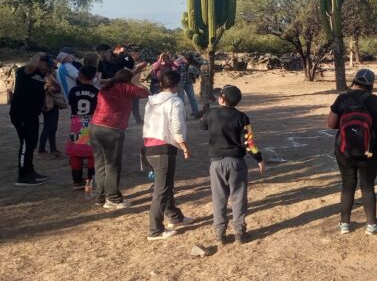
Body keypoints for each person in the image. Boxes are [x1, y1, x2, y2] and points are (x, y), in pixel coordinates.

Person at [202, 85, 265, 244]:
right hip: (237, 163)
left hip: (216, 164)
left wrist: (207, 111)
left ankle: (220, 234)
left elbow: (202, 125)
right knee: (238, 198)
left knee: (219, 199)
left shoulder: (211, 114)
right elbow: (249, 142)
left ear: (221, 99)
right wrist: (258, 158)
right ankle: (239, 233)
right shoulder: (242, 117)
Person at [326, 69, 377, 235]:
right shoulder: (374, 100)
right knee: (367, 186)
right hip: (369, 151)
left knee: (347, 185)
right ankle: (372, 225)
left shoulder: (342, 98)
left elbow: (331, 124)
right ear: (370, 84)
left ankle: (344, 224)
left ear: (355, 81)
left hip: (344, 150)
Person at [143, 70, 193, 241]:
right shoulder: (175, 101)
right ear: (177, 85)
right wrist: (184, 146)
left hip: (149, 148)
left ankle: (175, 216)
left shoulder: (151, 101)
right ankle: (155, 230)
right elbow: (176, 127)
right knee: (161, 189)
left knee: (165, 185)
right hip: (163, 149)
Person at [90, 69, 150, 209]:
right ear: (128, 80)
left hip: (95, 127)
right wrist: (137, 82)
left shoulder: (105, 88)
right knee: (112, 165)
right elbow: (147, 93)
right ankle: (113, 198)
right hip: (112, 129)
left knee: (100, 164)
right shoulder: (126, 88)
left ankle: (101, 197)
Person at [10, 53, 53, 186]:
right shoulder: (25, 71)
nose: (48, 69)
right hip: (21, 114)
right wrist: (39, 54)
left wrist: (43, 104)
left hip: (33, 114)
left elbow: (37, 92)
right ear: (39, 62)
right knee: (25, 143)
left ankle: (30, 171)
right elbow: (31, 65)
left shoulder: (40, 76)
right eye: (47, 65)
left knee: (31, 143)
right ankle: (22, 176)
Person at [66, 65, 99, 192]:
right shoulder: (97, 91)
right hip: (91, 122)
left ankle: (77, 181)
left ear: (79, 76)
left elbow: (71, 103)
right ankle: (90, 182)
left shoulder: (73, 90)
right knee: (91, 152)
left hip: (76, 122)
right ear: (94, 77)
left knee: (76, 153)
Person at [38, 66, 64, 157]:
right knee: (49, 126)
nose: (54, 70)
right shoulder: (48, 77)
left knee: (52, 127)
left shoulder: (47, 76)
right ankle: (42, 149)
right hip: (48, 104)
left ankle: (52, 148)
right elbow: (56, 88)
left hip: (51, 104)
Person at [175, 53, 200, 118]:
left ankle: (196, 113)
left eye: (189, 60)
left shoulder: (192, 62)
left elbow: (199, 64)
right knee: (181, 99)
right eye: (187, 59)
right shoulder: (179, 62)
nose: (188, 61)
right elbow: (175, 64)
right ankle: (183, 116)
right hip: (180, 82)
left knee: (192, 98)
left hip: (188, 82)